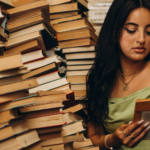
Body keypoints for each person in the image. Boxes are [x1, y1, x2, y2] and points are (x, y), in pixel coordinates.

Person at [86, 0, 150, 149]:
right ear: (115, 31)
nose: (141, 39)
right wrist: (113, 139)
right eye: (131, 30)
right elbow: (93, 138)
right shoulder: (99, 78)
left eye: (149, 32)